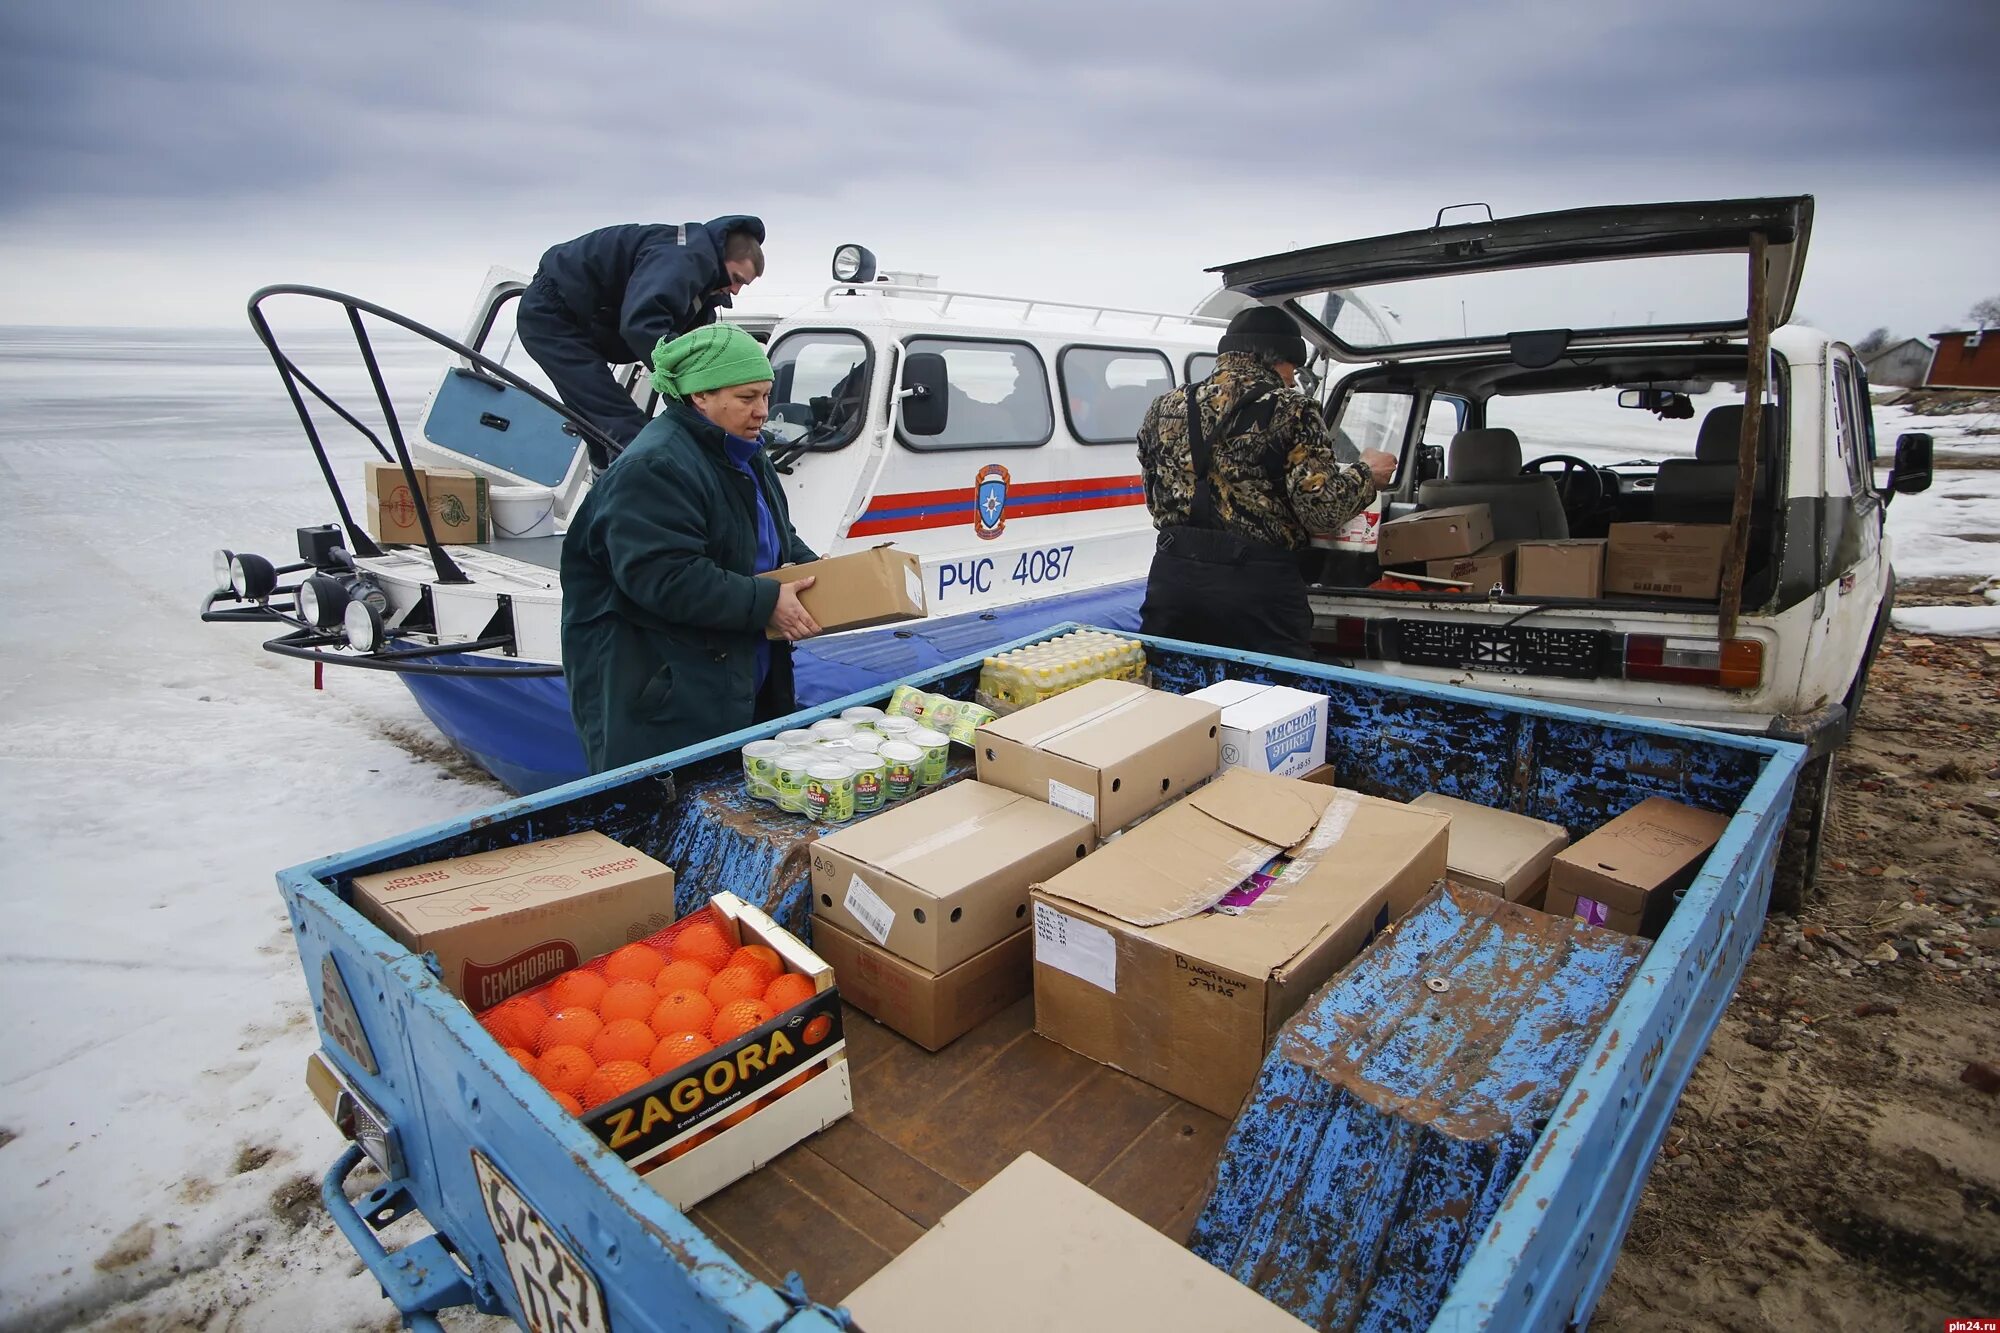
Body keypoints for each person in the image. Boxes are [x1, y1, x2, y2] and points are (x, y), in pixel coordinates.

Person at [561, 323, 820, 774]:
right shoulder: (655, 466)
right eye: (747, 398)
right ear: (700, 396)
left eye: (765, 395)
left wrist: (819, 571)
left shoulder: (743, 449)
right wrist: (766, 601)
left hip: (734, 667)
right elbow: (664, 577)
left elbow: (774, 533)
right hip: (663, 689)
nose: (763, 411)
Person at [1135, 305, 1397, 658]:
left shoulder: (1162, 407)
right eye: (1293, 370)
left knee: (1179, 694)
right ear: (1279, 361)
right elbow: (1322, 510)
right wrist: (1367, 473)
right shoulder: (1293, 408)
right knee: (1272, 700)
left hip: (1174, 583)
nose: (1292, 380)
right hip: (1255, 594)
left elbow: (1154, 497)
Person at [517, 217, 767, 469]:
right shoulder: (683, 258)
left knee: (597, 427)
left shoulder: (703, 285)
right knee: (625, 427)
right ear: (720, 256)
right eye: (736, 278)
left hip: (587, 321)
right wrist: (691, 384)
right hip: (553, 317)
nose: (735, 290)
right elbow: (642, 324)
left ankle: (603, 485)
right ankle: (637, 491)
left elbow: (695, 345)